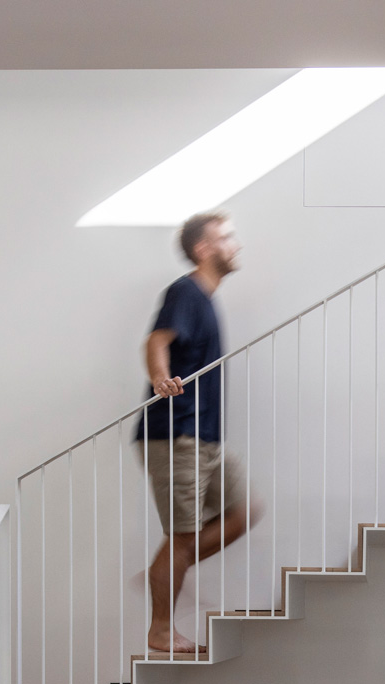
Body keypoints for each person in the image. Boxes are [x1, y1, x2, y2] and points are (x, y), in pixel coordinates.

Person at [135, 212, 256, 653]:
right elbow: (157, 340)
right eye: (226, 237)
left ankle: (167, 568)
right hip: (175, 433)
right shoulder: (185, 291)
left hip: (204, 437)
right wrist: (159, 377)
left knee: (241, 514)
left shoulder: (206, 298)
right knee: (183, 537)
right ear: (204, 249)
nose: (235, 244)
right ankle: (160, 629)